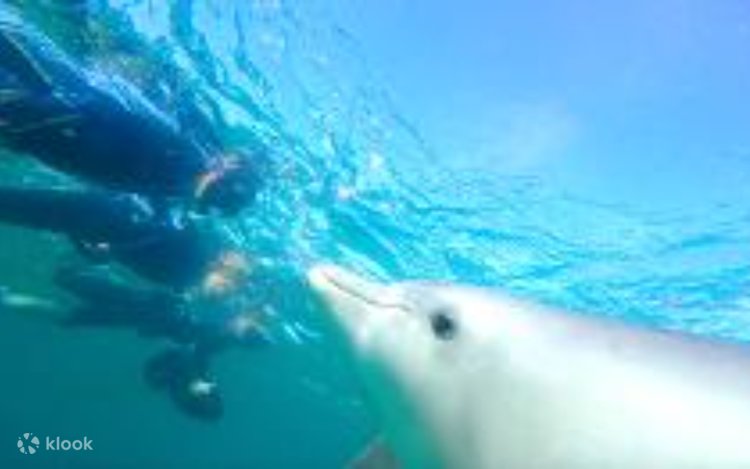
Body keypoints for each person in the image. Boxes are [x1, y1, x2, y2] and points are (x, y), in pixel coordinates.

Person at [0, 10, 262, 215]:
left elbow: (112, 116)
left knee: (16, 31)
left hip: (54, 102)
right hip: (42, 122)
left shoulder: (183, 161)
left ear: (224, 174)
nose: (221, 158)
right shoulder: (167, 190)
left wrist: (32, 114)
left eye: (232, 163)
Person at [1, 265, 268, 421]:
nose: (209, 388)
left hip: (140, 311)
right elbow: (190, 340)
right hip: (143, 309)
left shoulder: (182, 371)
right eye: (211, 392)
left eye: (205, 395)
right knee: (71, 305)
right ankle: (12, 294)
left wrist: (185, 361)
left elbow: (163, 356)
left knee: (70, 302)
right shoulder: (205, 356)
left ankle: (9, 296)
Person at [0, 186, 252, 291]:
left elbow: (138, 255)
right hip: (106, 214)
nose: (227, 289)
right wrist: (114, 250)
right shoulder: (196, 256)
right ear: (223, 265)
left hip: (101, 222)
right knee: (23, 206)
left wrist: (106, 253)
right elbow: (163, 231)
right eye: (232, 279)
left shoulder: (185, 279)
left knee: (24, 209)